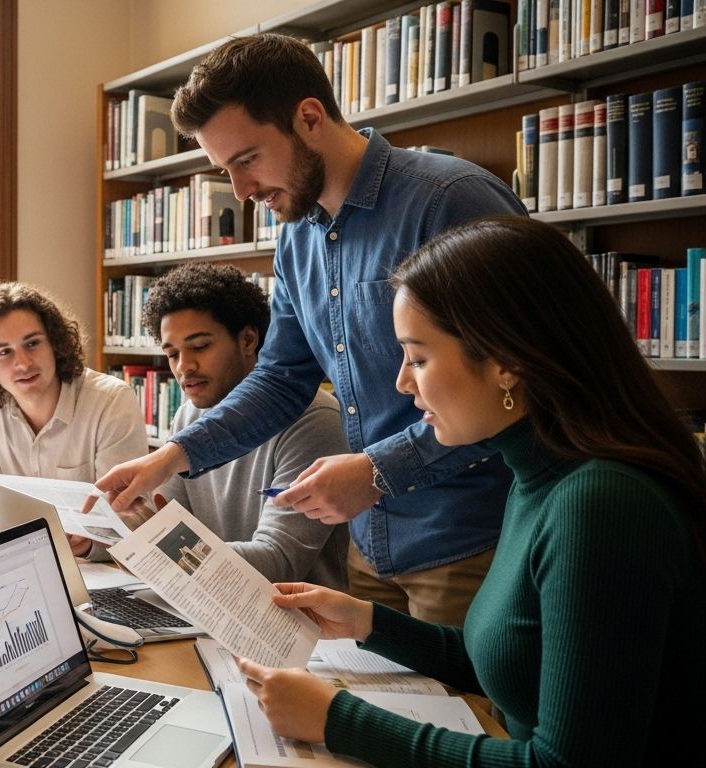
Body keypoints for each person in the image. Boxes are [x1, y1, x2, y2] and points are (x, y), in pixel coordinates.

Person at [238, 216, 706, 765]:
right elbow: (517, 660)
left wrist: (337, 719)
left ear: (506, 362)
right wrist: (366, 622)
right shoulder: (538, 473)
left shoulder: (598, 504)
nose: (403, 383)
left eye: (418, 358)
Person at [96, 33, 527, 624]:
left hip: (467, 540)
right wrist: (173, 456)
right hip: (369, 547)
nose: (242, 192)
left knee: (464, 715)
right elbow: (280, 379)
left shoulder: (449, 201)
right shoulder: (297, 237)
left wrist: (377, 471)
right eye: (226, 169)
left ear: (309, 117)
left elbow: (520, 384)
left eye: (246, 160)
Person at [139, 263, 349, 587]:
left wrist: (158, 548)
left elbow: (279, 560)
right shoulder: (187, 416)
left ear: (248, 340)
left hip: (302, 626)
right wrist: (118, 531)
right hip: (210, 604)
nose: (184, 367)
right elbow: (163, 524)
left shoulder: (314, 419)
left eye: (199, 347)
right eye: (172, 354)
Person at [0, 282, 147, 555]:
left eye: (32, 343)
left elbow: (133, 517)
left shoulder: (110, 401)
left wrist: (88, 543)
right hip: (20, 562)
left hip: (95, 573)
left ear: (55, 343)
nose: (23, 363)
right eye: (5, 352)